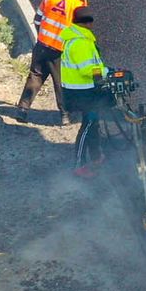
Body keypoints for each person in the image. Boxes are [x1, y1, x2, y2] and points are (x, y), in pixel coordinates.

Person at [16, 0, 86, 123]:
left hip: (42, 45)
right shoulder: (77, 6)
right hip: (59, 52)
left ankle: (22, 109)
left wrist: (42, 37)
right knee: (61, 82)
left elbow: (37, 19)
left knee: (35, 75)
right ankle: (65, 115)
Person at [57, 11, 111, 177]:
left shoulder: (75, 38)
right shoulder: (80, 43)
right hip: (82, 93)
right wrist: (106, 71)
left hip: (80, 90)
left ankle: (96, 157)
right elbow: (87, 69)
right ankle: (79, 165)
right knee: (88, 126)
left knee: (93, 123)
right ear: (87, 23)